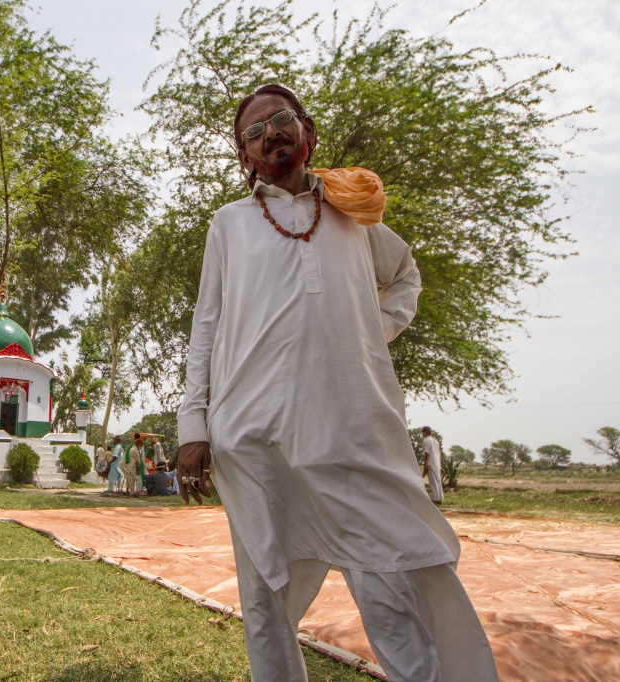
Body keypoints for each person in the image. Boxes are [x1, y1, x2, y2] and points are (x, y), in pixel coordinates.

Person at [175, 84, 497, 682]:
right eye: (252, 132)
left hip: (354, 435)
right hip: (254, 441)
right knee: (266, 603)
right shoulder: (229, 225)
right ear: (244, 158)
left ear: (307, 132)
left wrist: (369, 333)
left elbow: (404, 277)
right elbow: (207, 327)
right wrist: (193, 423)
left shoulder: (355, 216)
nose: (268, 133)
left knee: (391, 585)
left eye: (280, 119)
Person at [421, 426, 444, 505]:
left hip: (431, 463)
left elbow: (427, 453)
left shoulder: (426, 441)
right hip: (437, 463)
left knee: (433, 482)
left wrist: (425, 464)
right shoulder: (435, 441)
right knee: (438, 481)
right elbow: (439, 453)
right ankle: (439, 498)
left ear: (424, 433)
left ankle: (435, 499)